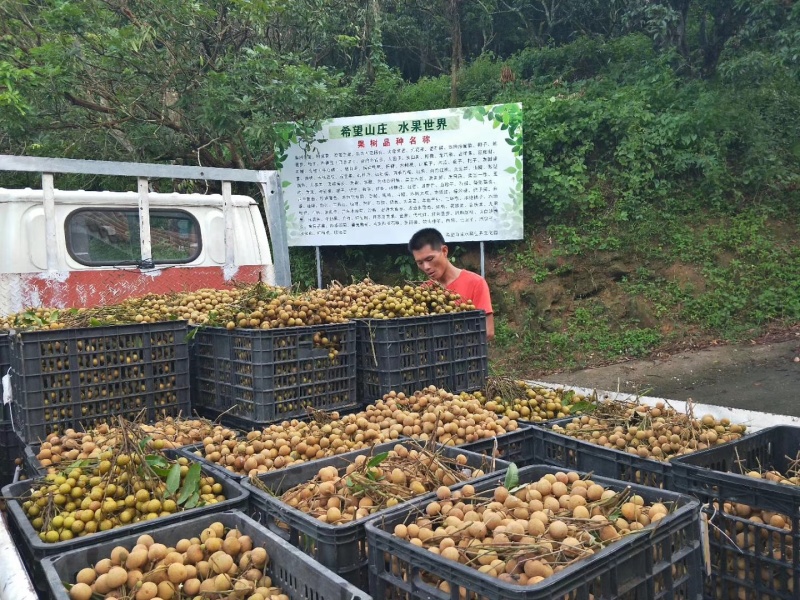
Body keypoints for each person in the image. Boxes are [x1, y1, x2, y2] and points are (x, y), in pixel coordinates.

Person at [408, 228, 494, 340]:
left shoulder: (475, 283)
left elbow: (488, 331)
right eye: (420, 263)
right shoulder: (423, 291)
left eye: (430, 259)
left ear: (444, 251)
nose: (426, 267)